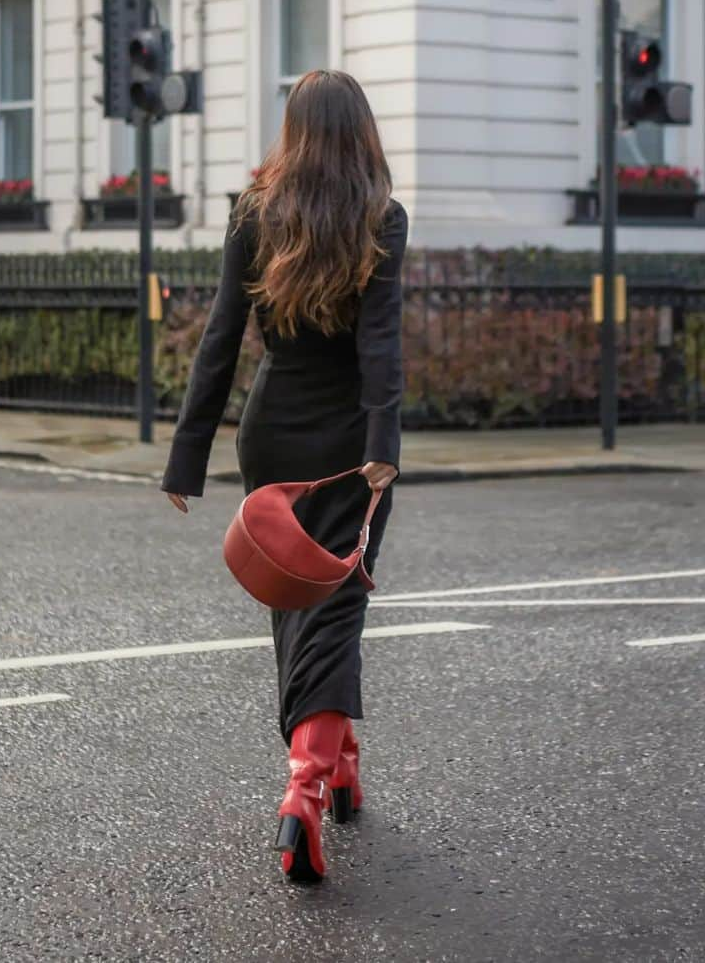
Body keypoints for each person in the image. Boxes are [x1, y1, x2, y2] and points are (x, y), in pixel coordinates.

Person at [160, 68, 408, 884]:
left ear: (293, 131)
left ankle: (338, 768)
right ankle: (304, 789)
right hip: (347, 448)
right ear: (362, 133)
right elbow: (381, 346)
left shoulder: (253, 212)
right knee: (335, 610)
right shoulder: (381, 218)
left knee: (295, 609)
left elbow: (221, 338)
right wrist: (383, 445)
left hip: (269, 440)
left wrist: (187, 457)